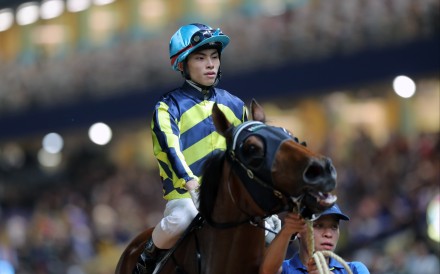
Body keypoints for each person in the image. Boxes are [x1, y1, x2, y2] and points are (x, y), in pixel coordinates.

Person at [133, 23, 248, 274]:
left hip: (227, 197)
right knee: (181, 218)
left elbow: (247, 154)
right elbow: (171, 150)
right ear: (183, 64)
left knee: (270, 224)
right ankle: (147, 258)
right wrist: (192, 184)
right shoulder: (167, 107)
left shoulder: (236, 105)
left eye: (214, 57)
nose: (210, 64)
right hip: (186, 197)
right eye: (200, 58)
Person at [259, 204, 370, 274]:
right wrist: (286, 231)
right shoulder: (284, 269)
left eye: (334, 227)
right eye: (319, 226)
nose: (328, 234)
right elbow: (266, 271)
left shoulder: (355, 269)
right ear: (298, 231)